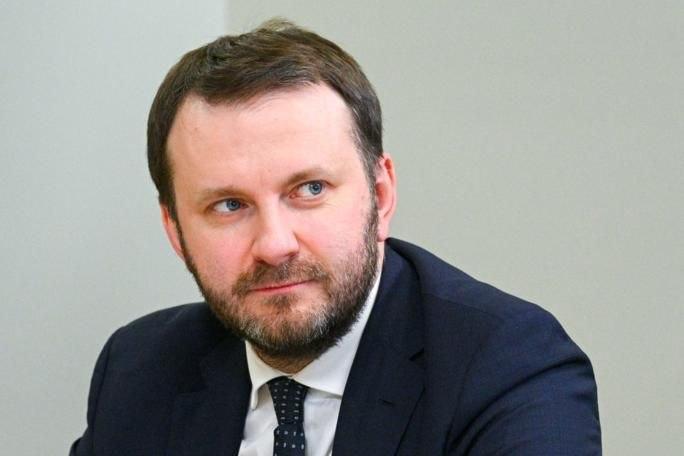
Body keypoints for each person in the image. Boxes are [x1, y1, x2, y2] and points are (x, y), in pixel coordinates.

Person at [70, 19, 601, 455]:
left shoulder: (507, 368)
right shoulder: (140, 370)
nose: (274, 244)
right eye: (229, 205)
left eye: (310, 189)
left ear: (381, 195)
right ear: (175, 231)